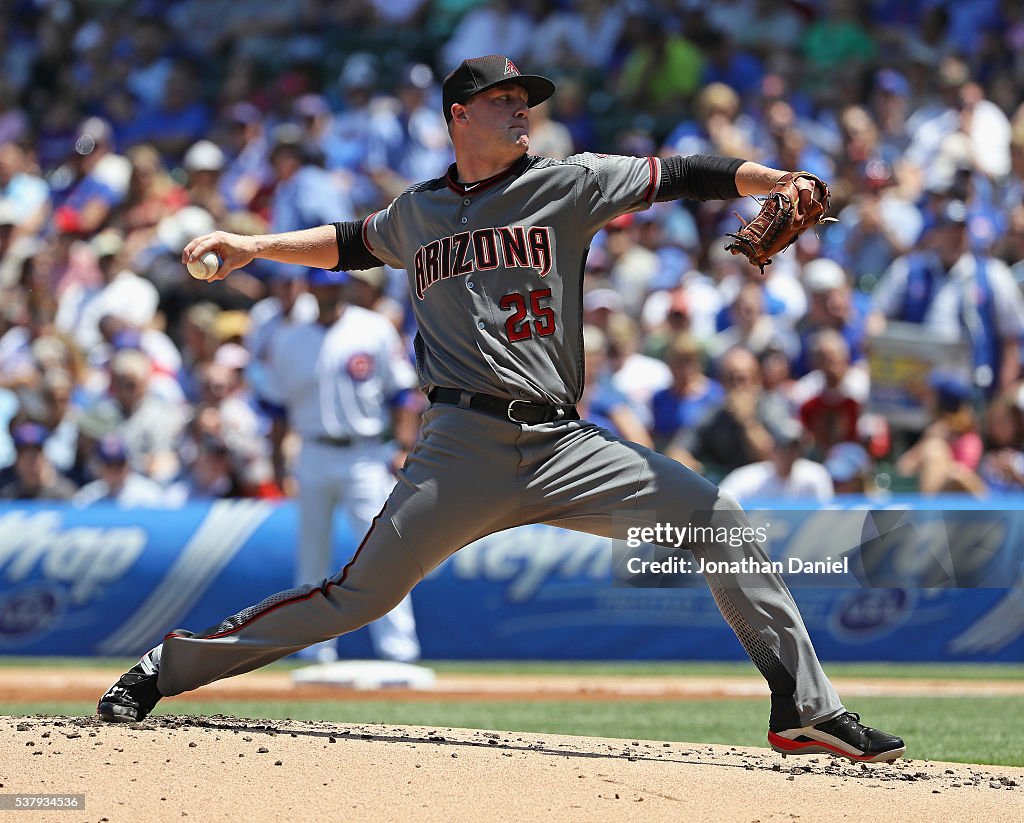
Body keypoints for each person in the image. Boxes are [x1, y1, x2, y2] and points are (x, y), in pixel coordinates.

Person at [98, 55, 904, 763]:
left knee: (717, 519)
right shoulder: (416, 211)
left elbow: (682, 173)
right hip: (460, 446)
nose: (523, 110)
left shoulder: (570, 180)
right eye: (504, 99)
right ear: (459, 114)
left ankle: (805, 709)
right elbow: (347, 242)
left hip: (564, 444)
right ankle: (169, 667)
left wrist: (773, 181)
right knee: (358, 598)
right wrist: (251, 246)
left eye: (527, 100)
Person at [260, 267, 423, 664]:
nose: (327, 294)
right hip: (312, 452)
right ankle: (313, 649)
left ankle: (398, 650)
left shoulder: (373, 329)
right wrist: (278, 464)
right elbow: (278, 412)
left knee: (384, 553)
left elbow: (403, 393)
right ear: (308, 289)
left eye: (333, 287)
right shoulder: (288, 339)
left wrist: (403, 446)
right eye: (320, 287)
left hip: (365, 452)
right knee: (311, 557)